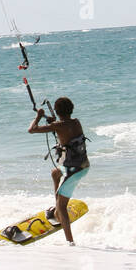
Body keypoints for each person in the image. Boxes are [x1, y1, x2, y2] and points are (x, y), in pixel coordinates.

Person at [28, 96, 89, 244]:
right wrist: (51, 121)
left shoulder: (57, 126)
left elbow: (32, 130)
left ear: (56, 111)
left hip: (73, 171)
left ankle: (70, 241)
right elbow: (64, 127)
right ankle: (56, 210)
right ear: (71, 109)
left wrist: (38, 116)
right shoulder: (76, 122)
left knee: (63, 206)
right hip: (84, 165)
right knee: (55, 173)